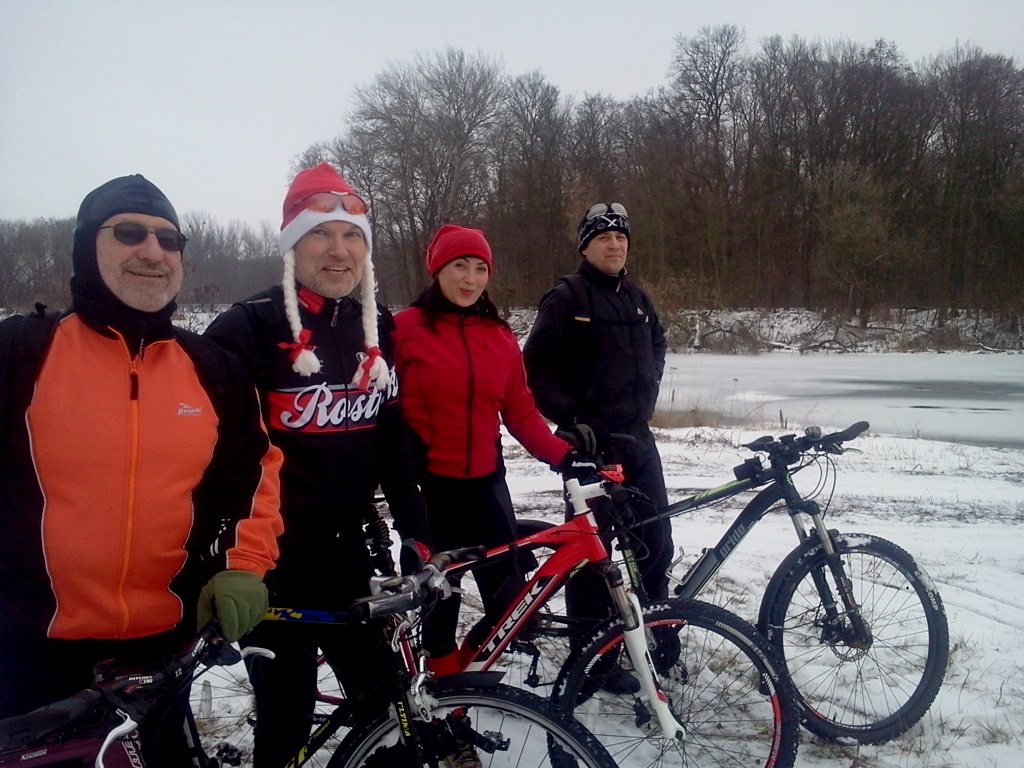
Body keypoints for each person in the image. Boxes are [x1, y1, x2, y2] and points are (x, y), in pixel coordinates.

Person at [0, 174, 284, 766]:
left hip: (160, 653)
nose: (152, 251)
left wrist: (243, 564)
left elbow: (254, 473)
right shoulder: (20, 352)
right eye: (129, 233)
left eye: (168, 239)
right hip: (30, 653)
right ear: (87, 246)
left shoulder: (213, 367)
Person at [203, 162, 431, 768]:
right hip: (272, 560)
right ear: (291, 245)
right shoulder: (246, 328)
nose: (338, 250)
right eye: (320, 234)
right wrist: (233, 560)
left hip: (347, 551)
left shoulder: (372, 326)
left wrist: (417, 530)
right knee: (288, 715)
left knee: (386, 707)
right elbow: (218, 462)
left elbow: (390, 435)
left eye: (352, 235)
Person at [392, 224, 587, 674]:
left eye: (480, 268)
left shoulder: (499, 337)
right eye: (460, 265)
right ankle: (443, 693)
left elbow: (520, 411)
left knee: (510, 606)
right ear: (437, 270)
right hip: (430, 493)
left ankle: (468, 673)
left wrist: (562, 455)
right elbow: (379, 408)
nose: (471, 278)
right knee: (440, 610)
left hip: (486, 488)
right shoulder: (404, 330)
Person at [523, 202, 673, 651]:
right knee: (592, 555)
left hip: (638, 440)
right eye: (603, 238)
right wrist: (572, 418)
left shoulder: (637, 297)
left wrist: (649, 387)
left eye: (620, 238)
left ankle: (657, 638)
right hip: (593, 447)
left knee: (655, 542)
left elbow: (659, 343)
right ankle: (591, 660)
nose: (614, 245)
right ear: (586, 248)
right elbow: (535, 367)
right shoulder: (567, 297)